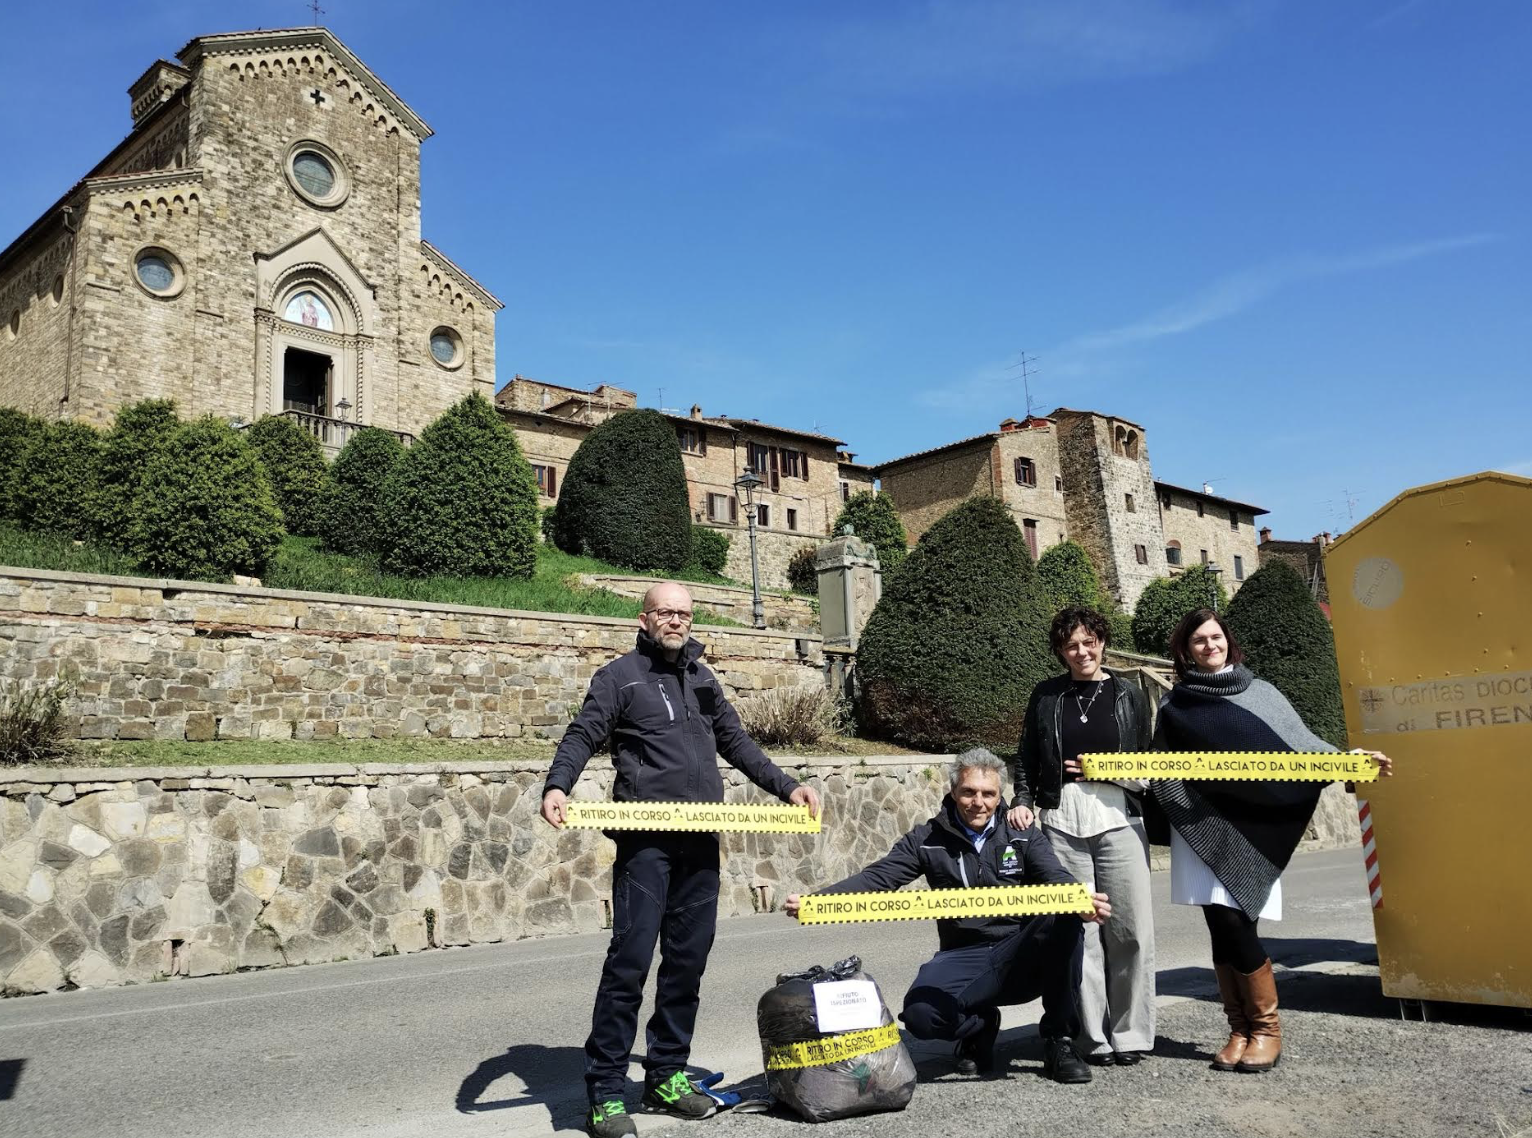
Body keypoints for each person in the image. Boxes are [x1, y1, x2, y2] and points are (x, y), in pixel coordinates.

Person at [541, 582, 822, 1138]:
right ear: (644, 619)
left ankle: (667, 1074)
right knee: (630, 962)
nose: (676, 621)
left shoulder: (702, 679)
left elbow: (736, 743)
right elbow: (584, 734)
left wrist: (787, 787)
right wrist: (558, 784)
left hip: (700, 842)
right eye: (666, 612)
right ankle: (605, 1091)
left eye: (685, 613)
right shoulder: (619, 677)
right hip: (646, 844)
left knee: (687, 964)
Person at [1151, 607, 1392, 1073]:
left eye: (1215, 637)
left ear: (1228, 641)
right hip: (1202, 827)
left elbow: (1302, 746)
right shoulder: (1176, 704)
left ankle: (1267, 1030)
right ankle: (1239, 1028)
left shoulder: (1260, 693)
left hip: (1251, 825)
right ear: (1185, 650)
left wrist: (1348, 759)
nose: (1209, 646)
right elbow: (1161, 766)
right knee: (1219, 927)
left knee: (1238, 925)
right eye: (1198, 640)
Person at [784, 748, 1110, 1084]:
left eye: (988, 794)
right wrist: (817, 903)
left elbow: (1055, 876)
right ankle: (980, 1026)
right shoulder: (926, 840)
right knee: (920, 1016)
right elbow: (877, 878)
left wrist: (1080, 897)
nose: (978, 802)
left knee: (1066, 913)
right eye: (969, 792)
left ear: (1000, 797)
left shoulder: (1022, 833)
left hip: (1021, 955)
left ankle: (1060, 1040)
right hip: (964, 955)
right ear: (953, 792)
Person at [1008, 606, 1157, 1067]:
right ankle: (1093, 1037)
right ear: (1060, 651)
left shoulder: (1129, 694)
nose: (1082, 651)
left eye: (1089, 642)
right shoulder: (1047, 695)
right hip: (1061, 821)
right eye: (1072, 645)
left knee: (1131, 931)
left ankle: (1131, 1033)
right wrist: (1022, 801)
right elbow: (1027, 757)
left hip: (1119, 817)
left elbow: (1148, 761)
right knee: (1080, 935)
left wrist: (1111, 771)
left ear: (1102, 643)